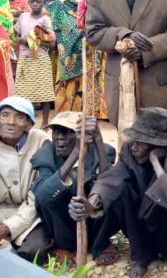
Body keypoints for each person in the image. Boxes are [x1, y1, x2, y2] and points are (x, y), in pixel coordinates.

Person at [68, 107, 167, 278]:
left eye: (143, 142)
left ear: (160, 146)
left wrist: (155, 162)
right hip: (145, 223)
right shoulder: (130, 149)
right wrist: (92, 202)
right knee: (122, 190)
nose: (134, 146)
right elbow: (112, 177)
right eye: (135, 139)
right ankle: (141, 255)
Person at [31, 112, 118, 264]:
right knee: (45, 194)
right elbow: (43, 196)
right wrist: (76, 153)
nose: (59, 137)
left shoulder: (102, 149)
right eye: (56, 131)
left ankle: (101, 243)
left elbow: (110, 185)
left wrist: (97, 140)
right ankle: (65, 246)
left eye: (67, 132)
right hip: (63, 220)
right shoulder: (45, 155)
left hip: (93, 214)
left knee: (114, 192)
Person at [0, 96, 50, 261]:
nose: (11, 122)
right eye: (5, 114)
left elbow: (40, 190)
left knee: (36, 251)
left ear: (29, 125)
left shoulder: (40, 140)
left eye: (20, 117)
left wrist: (10, 226)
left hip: (29, 212)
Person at [13, 0, 56, 126]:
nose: (35, 4)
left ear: (43, 2)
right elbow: (16, 37)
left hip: (41, 59)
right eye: (32, 1)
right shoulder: (23, 17)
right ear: (28, 2)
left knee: (45, 92)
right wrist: (22, 40)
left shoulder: (45, 20)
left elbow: (52, 43)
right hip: (25, 59)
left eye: (38, 1)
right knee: (24, 92)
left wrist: (32, 41)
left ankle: (44, 122)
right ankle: (27, 121)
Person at [47, 0, 86, 113]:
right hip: (66, 50)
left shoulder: (87, 1)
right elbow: (57, 26)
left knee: (83, 80)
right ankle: (65, 111)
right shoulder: (58, 5)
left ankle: (81, 111)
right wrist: (77, 32)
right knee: (66, 82)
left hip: (85, 49)